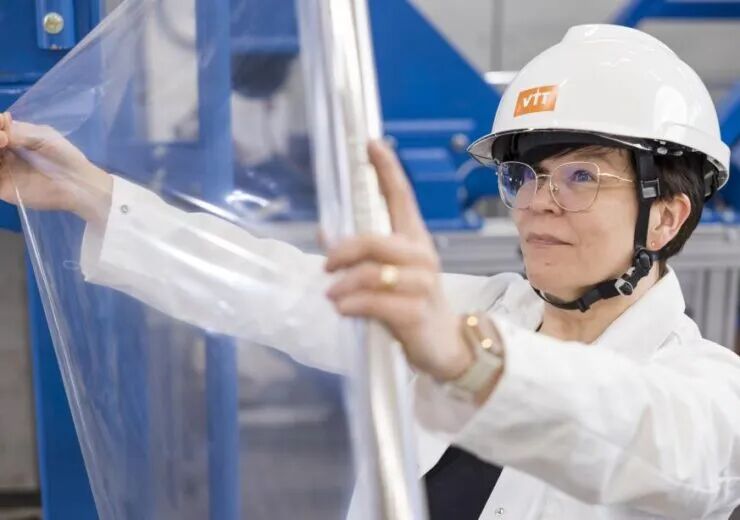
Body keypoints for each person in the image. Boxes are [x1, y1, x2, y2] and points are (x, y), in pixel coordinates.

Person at [2, 24, 740, 520]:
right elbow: (276, 289)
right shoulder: (477, 308)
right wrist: (90, 194)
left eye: (581, 177)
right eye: (524, 175)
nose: (539, 203)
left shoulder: (710, 393)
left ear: (666, 216)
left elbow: (648, 436)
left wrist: (471, 361)